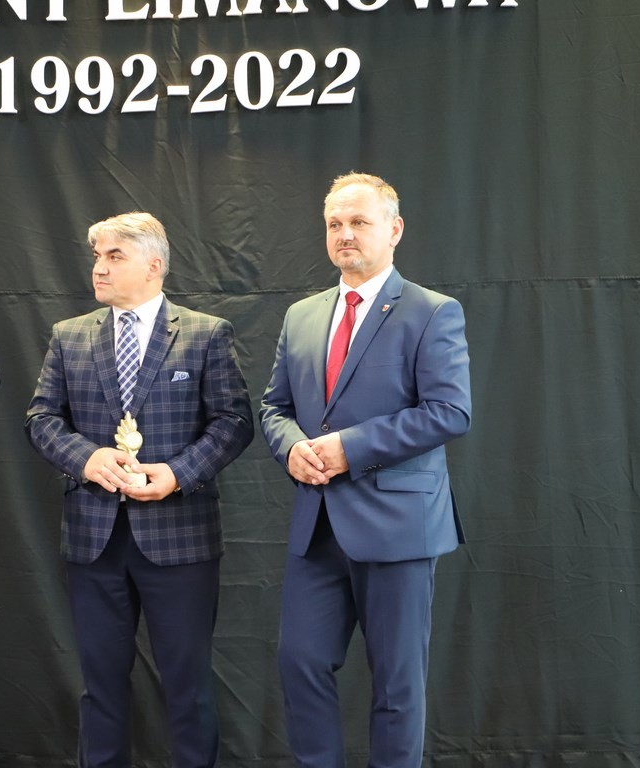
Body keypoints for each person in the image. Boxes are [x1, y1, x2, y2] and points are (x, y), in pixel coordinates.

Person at [25, 212, 254, 768]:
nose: (98, 268)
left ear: (154, 266)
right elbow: (41, 419)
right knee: (100, 688)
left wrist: (176, 473)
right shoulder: (70, 336)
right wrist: (87, 459)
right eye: (97, 256)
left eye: (114, 256)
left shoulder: (205, 334)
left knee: (188, 687)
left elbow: (233, 422)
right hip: (94, 540)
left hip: (180, 538)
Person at [258, 173, 472, 768]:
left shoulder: (432, 311)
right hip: (318, 526)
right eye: (334, 224)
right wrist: (292, 447)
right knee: (300, 663)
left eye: (359, 222)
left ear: (394, 230)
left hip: (398, 526)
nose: (345, 234)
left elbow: (450, 411)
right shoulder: (301, 315)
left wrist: (348, 448)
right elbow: (274, 407)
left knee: (397, 685)